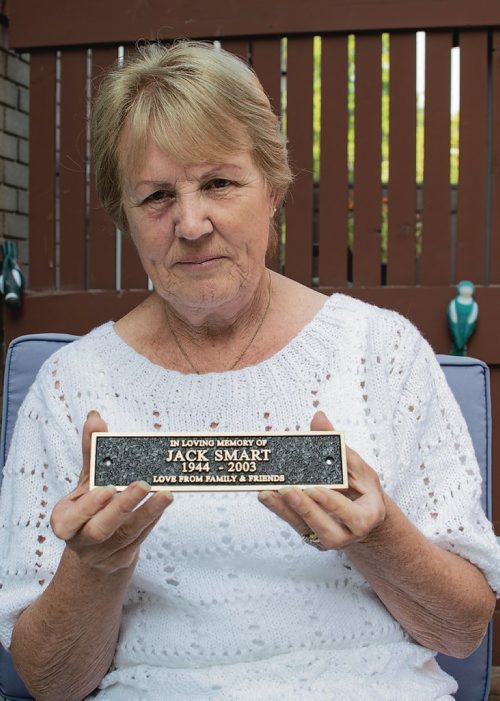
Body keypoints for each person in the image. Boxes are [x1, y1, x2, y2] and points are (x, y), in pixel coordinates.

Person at [0, 41, 499, 701]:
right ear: (124, 214)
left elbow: (464, 631)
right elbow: (50, 681)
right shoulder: (71, 386)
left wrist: (381, 537)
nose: (191, 222)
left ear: (273, 187)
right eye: (156, 196)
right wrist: (98, 564)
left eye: (218, 183)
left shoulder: (382, 351)